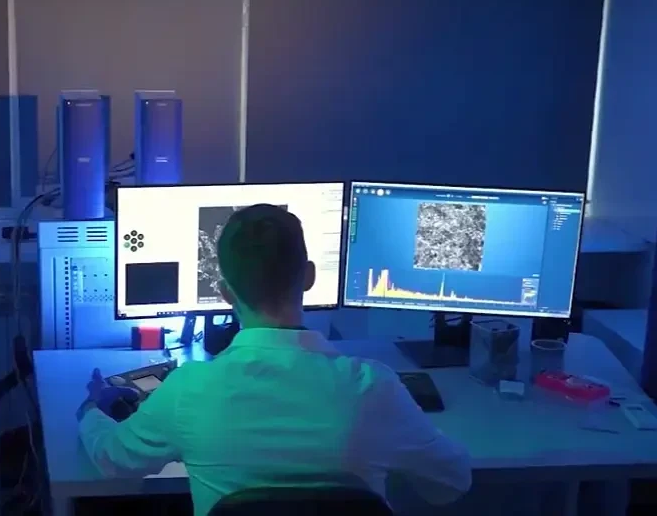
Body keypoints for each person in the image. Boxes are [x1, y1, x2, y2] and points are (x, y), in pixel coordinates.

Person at [77, 204, 472, 515]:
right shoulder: (374, 388)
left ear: (225, 293)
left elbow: (113, 460)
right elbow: (451, 484)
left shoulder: (189, 391)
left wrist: (92, 411)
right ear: (309, 277)